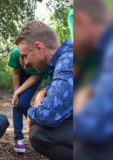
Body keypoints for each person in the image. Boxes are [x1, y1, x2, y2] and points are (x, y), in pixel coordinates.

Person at [15, 20, 73, 160]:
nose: (25, 63)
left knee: (38, 134)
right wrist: (43, 91)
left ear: (39, 48)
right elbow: (58, 84)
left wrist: (30, 113)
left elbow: (48, 115)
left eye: (25, 56)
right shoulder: (67, 57)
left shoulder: (68, 62)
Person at [73, 0, 113, 159]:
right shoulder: (98, 51)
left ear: (80, 21)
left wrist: (78, 108)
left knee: (85, 149)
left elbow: (93, 126)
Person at [7, 48, 48, 153]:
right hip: (20, 75)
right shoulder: (16, 53)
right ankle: (19, 139)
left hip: (33, 77)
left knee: (23, 103)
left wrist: (18, 93)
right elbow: (16, 73)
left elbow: (35, 78)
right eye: (23, 63)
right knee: (17, 104)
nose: (25, 65)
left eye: (28, 65)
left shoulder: (43, 58)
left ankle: (41, 126)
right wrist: (16, 93)